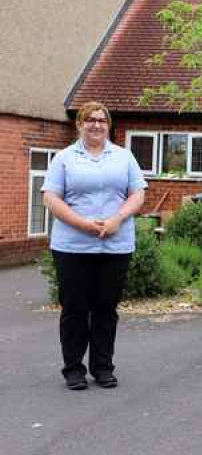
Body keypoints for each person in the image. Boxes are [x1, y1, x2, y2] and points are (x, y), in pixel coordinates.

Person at [42, 102, 147, 390]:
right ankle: (73, 369)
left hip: (115, 246)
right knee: (75, 309)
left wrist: (117, 219)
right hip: (72, 246)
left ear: (108, 125)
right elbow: (51, 198)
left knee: (105, 308)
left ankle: (102, 367)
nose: (96, 125)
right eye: (90, 120)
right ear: (79, 124)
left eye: (101, 120)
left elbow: (137, 194)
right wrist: (82, 224)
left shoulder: (124, 157)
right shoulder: (64, 159)